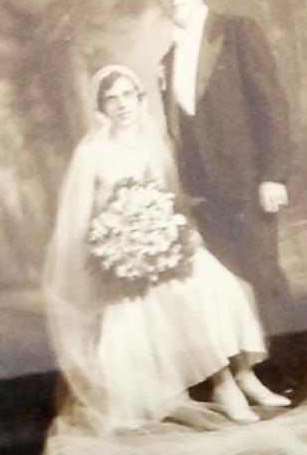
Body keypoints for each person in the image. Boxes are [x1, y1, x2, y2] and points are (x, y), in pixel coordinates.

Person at [38, 63, 271, 431]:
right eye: (111, 99)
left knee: (222, 286)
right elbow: (80, 220)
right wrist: (117, 248)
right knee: (181, 298)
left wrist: (175, 235)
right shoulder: (92, 155)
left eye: (127, 95)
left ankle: (243, 376)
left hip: (162, 246)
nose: (121, 104)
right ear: (102, 109)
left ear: (139, 99)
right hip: (122, 260)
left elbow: (169, 198)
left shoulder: (152, 145)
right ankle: (223, 385)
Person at [149, 0, 296, 400]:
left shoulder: (236, 32)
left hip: (249, 183)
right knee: (227, 290)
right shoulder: (167, 61)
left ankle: (291, 372)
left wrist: (273, 174)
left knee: (263, 276)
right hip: (205, 198)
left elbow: (271, 104)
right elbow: (180, 132)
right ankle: (249, 379)